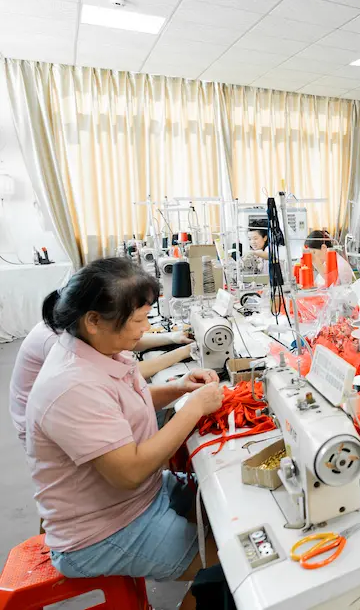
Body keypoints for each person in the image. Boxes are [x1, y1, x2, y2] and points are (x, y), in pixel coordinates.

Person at [25, 258, 224, 609]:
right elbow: (129, 473)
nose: (145, 329)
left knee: (222, 514)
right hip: (103, 530)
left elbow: (125, 404)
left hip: (135, 501)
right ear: (94, 320)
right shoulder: (71, 385)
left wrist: (179, 389)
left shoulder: (99, 351)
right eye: (138, 321)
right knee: (233, 564)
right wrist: (195, 408)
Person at [10, 322, 195, 449]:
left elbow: (129, 339)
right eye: (138, 318)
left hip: (58, 418)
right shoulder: (60, 347)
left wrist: (173, 338)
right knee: (166, 415)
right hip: (49, 430)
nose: (146, 326)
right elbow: (135, 371)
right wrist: (184, 352)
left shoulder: (74, 331)